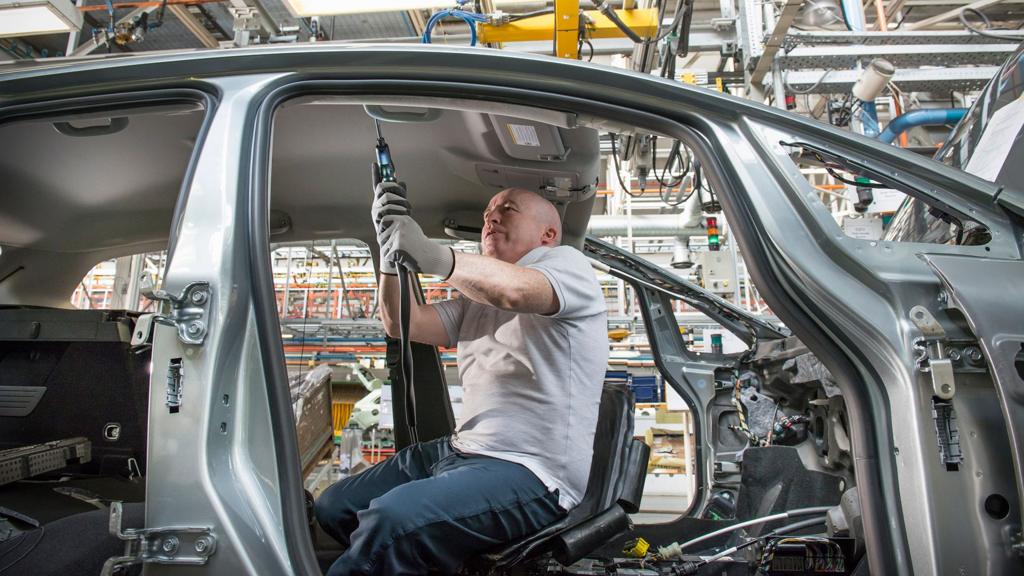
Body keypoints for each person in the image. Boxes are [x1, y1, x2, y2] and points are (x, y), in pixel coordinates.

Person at [315, 184, 608, 575]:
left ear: (548, 235)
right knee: (334, 505)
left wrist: (435, 256)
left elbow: (516, 291)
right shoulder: (477, 300)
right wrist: (389, 251)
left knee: (391, 520)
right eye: (488, 212)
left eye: (508, 208)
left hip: (532, 473)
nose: (491, 217)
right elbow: (404, 322)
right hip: (460, 452)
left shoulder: (568, 266)